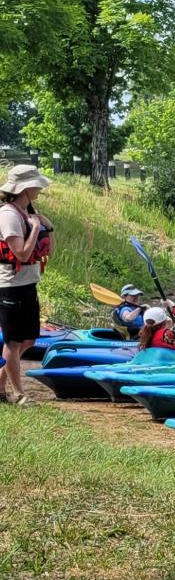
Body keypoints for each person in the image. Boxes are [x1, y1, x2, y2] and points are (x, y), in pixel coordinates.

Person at [0, 164, 54, 406]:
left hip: (28, 284)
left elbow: (49, 238)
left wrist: (42, 223)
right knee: (13, 341)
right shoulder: (9, 215)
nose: (39, 189)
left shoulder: (25, 210)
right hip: (11, 286)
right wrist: (33, 228)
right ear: (25, 188)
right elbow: (21, 253)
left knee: (29, 339)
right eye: (36, 185)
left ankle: (0, 384)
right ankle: (19, 393)